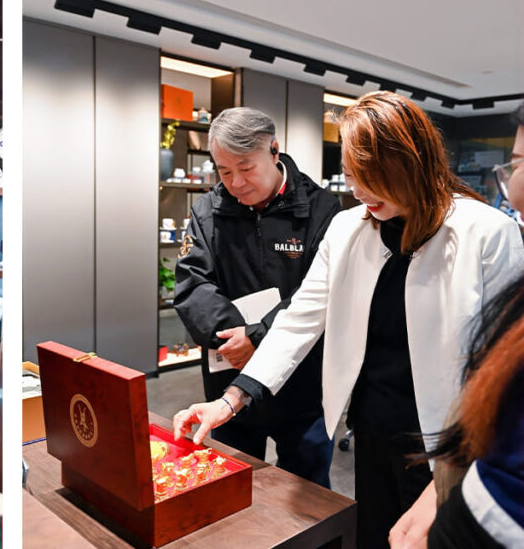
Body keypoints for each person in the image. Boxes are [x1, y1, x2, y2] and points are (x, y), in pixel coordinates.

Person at [173, 91, 524, 548]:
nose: (358, 192)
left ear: (408, 165)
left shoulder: (487, 232)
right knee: (376, 533)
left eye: (370, 179)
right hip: (372, 425)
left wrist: (457, 469)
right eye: (351, 177)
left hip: (448, 435)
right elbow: (300, 318)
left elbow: (500, 371)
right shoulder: (349, 228)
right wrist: (233, 399)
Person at [174, 107, 340, 488]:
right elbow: (191, 282)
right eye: (224, 170)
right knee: (231, 485)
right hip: (229, 371)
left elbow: (318, 293)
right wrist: (235, 336)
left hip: (301, 381)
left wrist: (260, 337)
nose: (235, 182)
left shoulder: (321, 210)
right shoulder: (208, 211)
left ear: (274, 151)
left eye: (245, 168)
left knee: (307, 494)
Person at [388, 101, 524, 549]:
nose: (512, 185)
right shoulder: (357, 226)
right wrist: (446, 481)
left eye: (518, 163)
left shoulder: (486, 229)